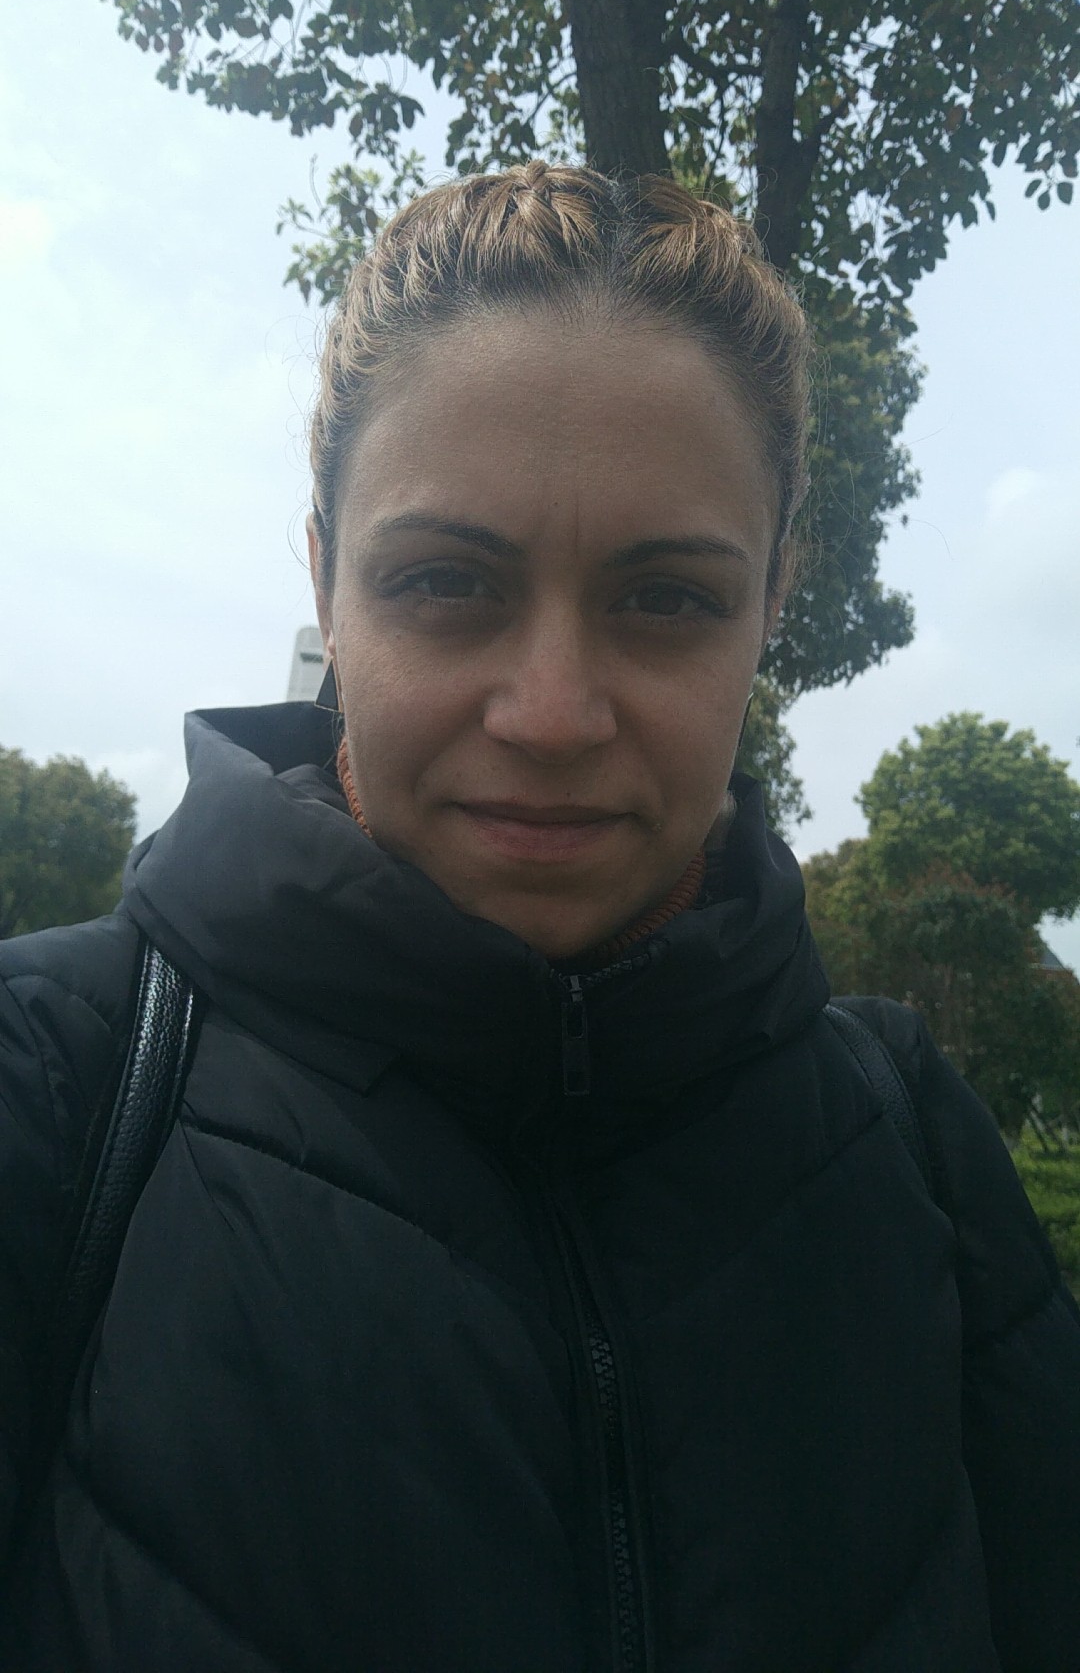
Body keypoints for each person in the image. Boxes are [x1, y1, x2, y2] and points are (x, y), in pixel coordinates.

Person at [1, 161, 1078, 1672]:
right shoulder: (53, 1093)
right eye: (446, 582)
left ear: (773, 600)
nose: (554, 714)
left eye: (668, 599)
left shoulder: (915, 1154)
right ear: (325, 578)